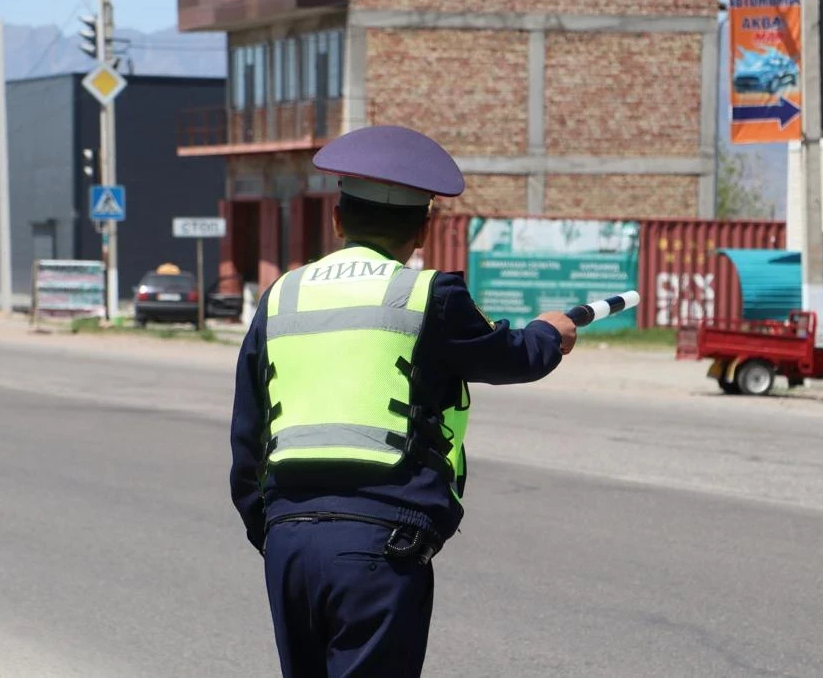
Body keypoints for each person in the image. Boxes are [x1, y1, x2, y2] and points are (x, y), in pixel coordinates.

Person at [229, 125, 578, 678]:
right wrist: (549, 332)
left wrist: (273, 531)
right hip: (380, 544)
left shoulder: (281, 297)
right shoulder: (428, 295)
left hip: (289, 541)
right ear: (422, 230)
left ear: (337, 219)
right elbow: (510, 357)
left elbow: (247, 438)